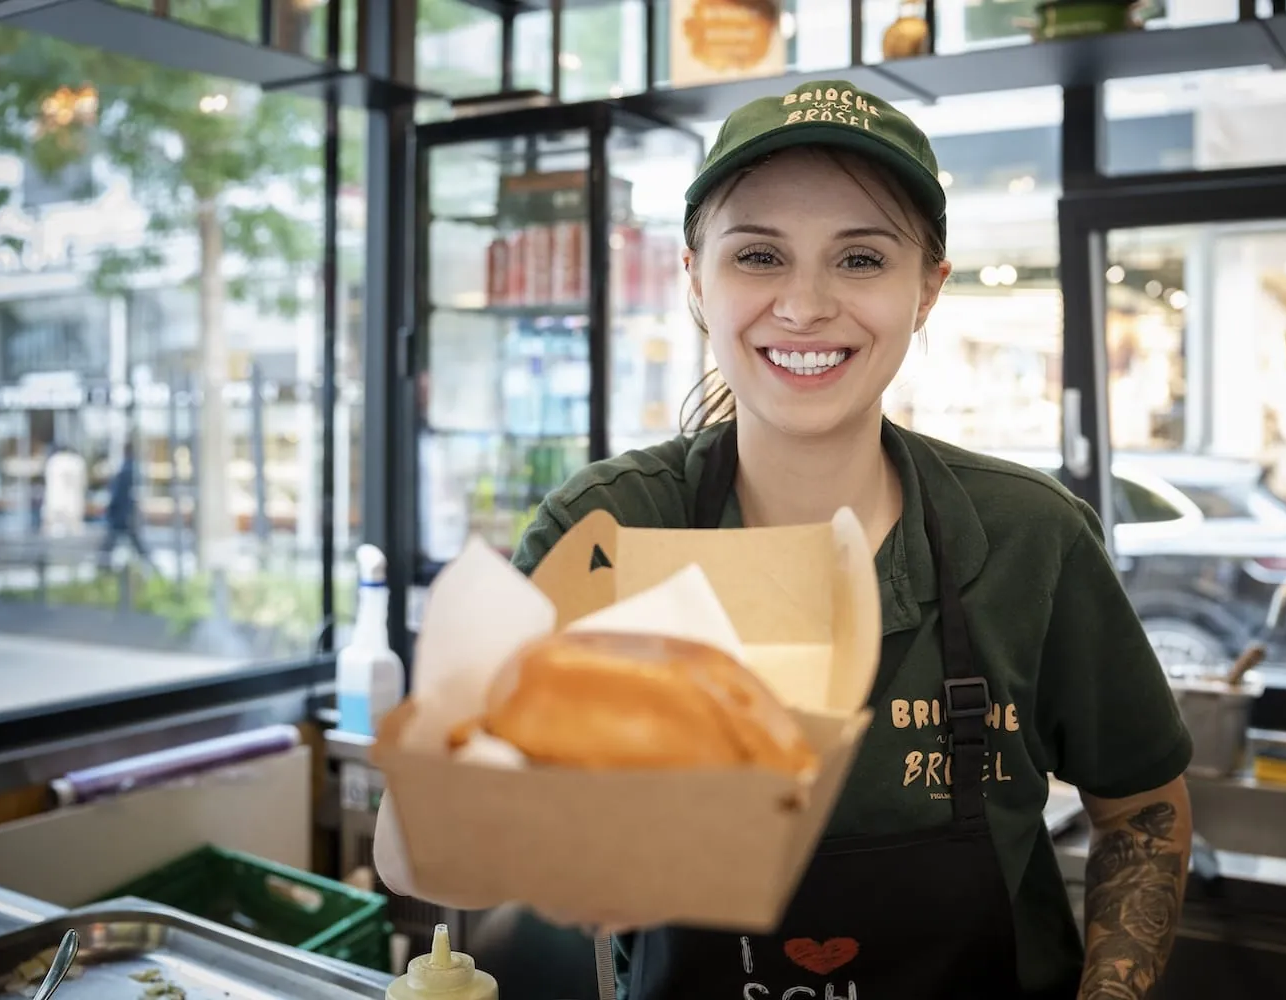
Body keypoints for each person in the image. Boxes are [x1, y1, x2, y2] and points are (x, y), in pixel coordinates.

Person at [507, 81, 1196, 1000]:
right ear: (696, 281)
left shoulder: (1032, 537)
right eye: (759, 255)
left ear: (928, 290)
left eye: (861, 258)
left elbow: (1143, 811)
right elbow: (474, 825)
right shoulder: (609, 534)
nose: (804, 305)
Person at [99, 442, 152, 570]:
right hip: (127, 513)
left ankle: (102, 568)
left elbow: (119, 493)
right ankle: (150, 566)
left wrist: (112, 508)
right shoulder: (134, 469)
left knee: (110, 544)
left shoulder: (126, 470)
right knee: (134, 544)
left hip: (122, 514)